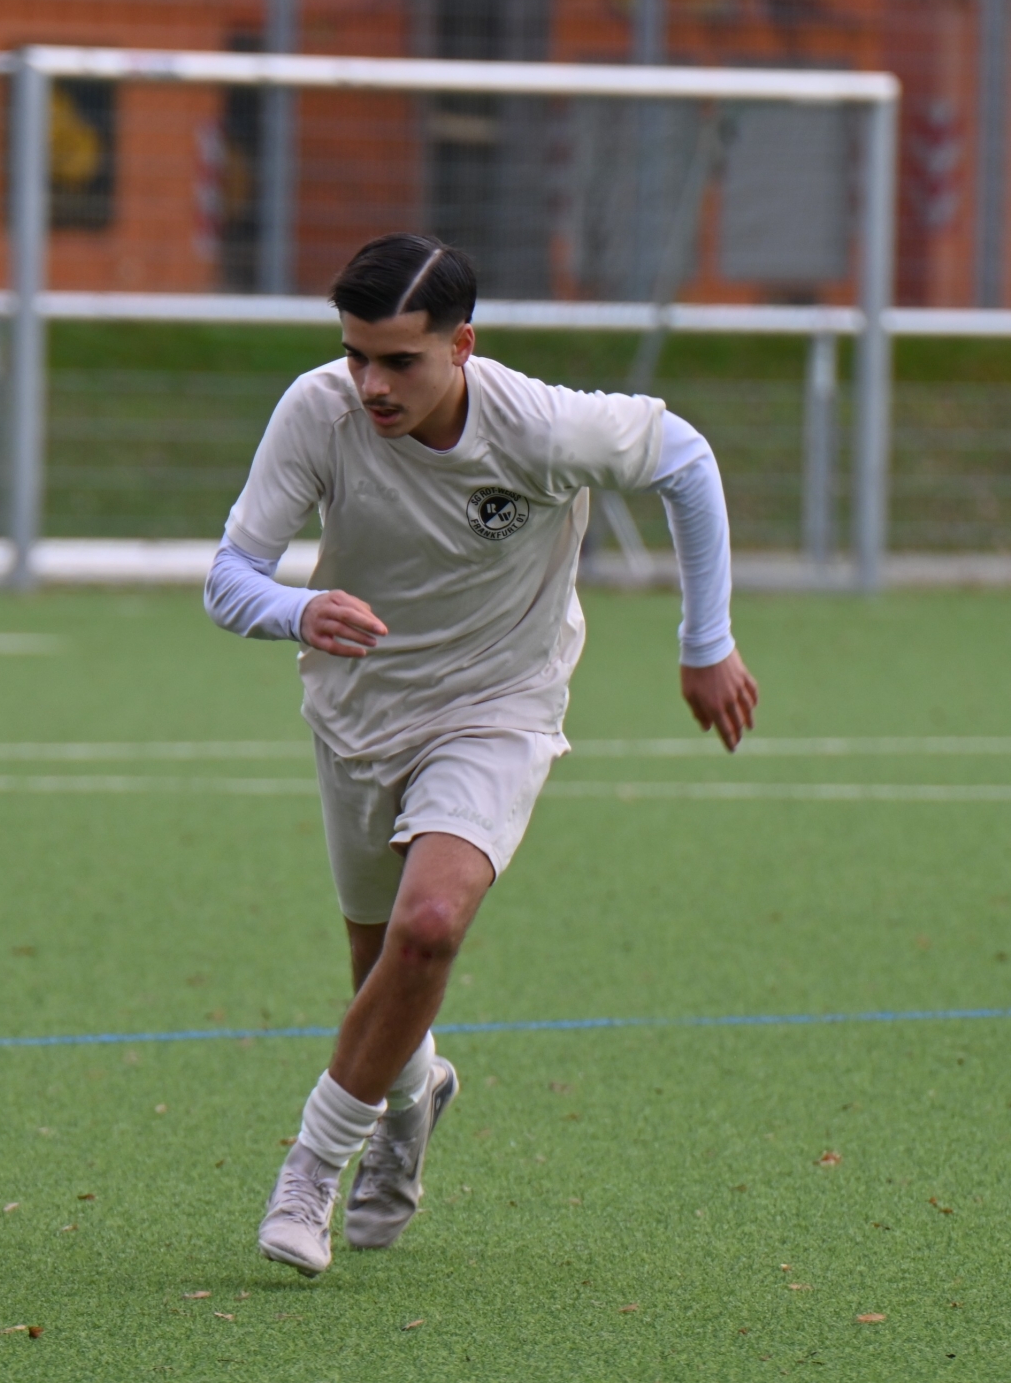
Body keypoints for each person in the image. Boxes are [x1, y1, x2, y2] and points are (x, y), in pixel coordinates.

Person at [205, 233, 757, 1277]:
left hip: (500, 705)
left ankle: (311, 1171)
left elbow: (685, 460)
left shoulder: (539, 427)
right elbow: (230, 577)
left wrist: (706, 643)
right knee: (380, 970)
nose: (371, 383)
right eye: (356, 355)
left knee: (428, 930)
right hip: (359, 713)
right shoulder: (317, 412)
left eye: (399, 360)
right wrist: (296, 609)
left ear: (462, 345)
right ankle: (414, 1097)